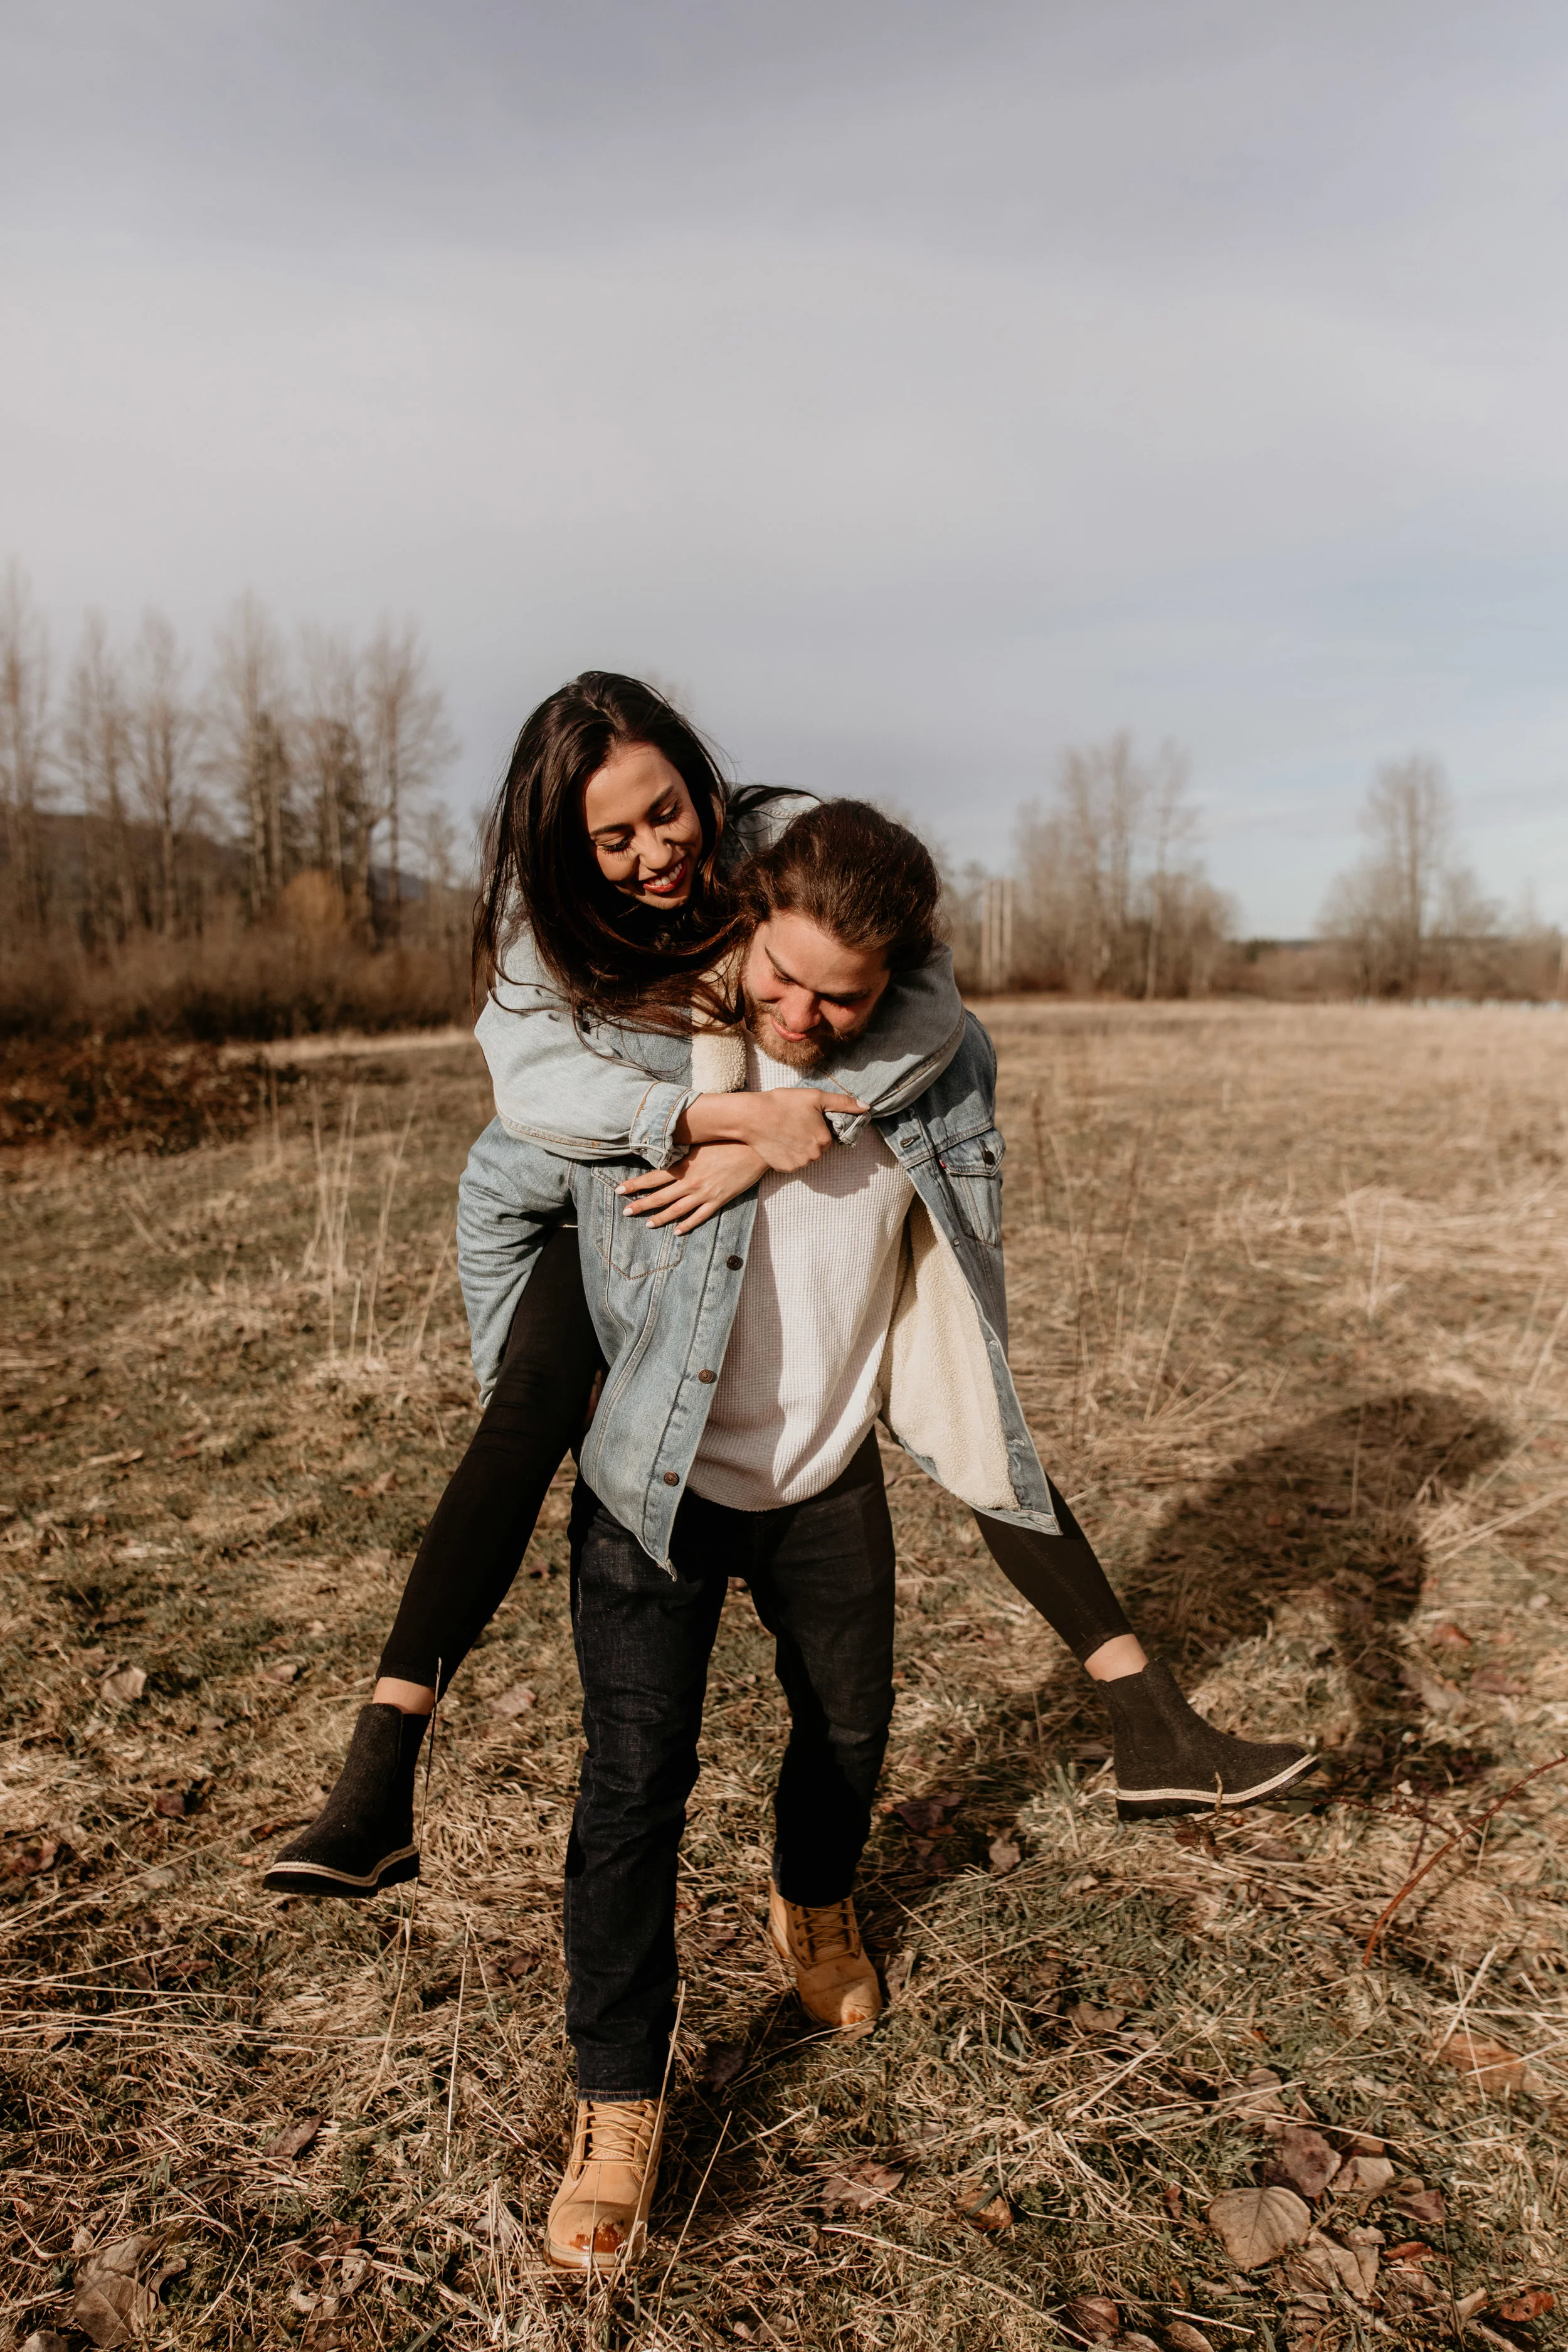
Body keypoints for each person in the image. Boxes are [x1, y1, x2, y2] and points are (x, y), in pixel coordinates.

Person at [450, 800, 1316, 2274]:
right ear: (744, 931)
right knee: (631, 1794)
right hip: (650, 1490)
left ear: (897, 981)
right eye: (774, 978)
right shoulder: (659, 1055)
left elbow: (949, 1216)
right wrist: (532, 1360)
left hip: (825, 1475)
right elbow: (504, 1167)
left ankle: (813, 1907)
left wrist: (809, 1132)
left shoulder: (934, 1065)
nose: (794, 1013)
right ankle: (616, 2107)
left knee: (847, 1733)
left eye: (834, 997)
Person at [267, 674, 968, 1901]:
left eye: (665, 812)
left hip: (642, 1202)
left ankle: (382, 1776)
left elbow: (928, 1004)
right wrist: (706, 1113)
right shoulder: (537, 916)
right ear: (566, 845)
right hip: (551, 1193)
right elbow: (529, 1094)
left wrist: (758, 1142)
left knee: (555, 1411)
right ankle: (375, 1777)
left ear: (699, 781)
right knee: (534, 1404)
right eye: (614, 837)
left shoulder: (779, 841)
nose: (652, 851)